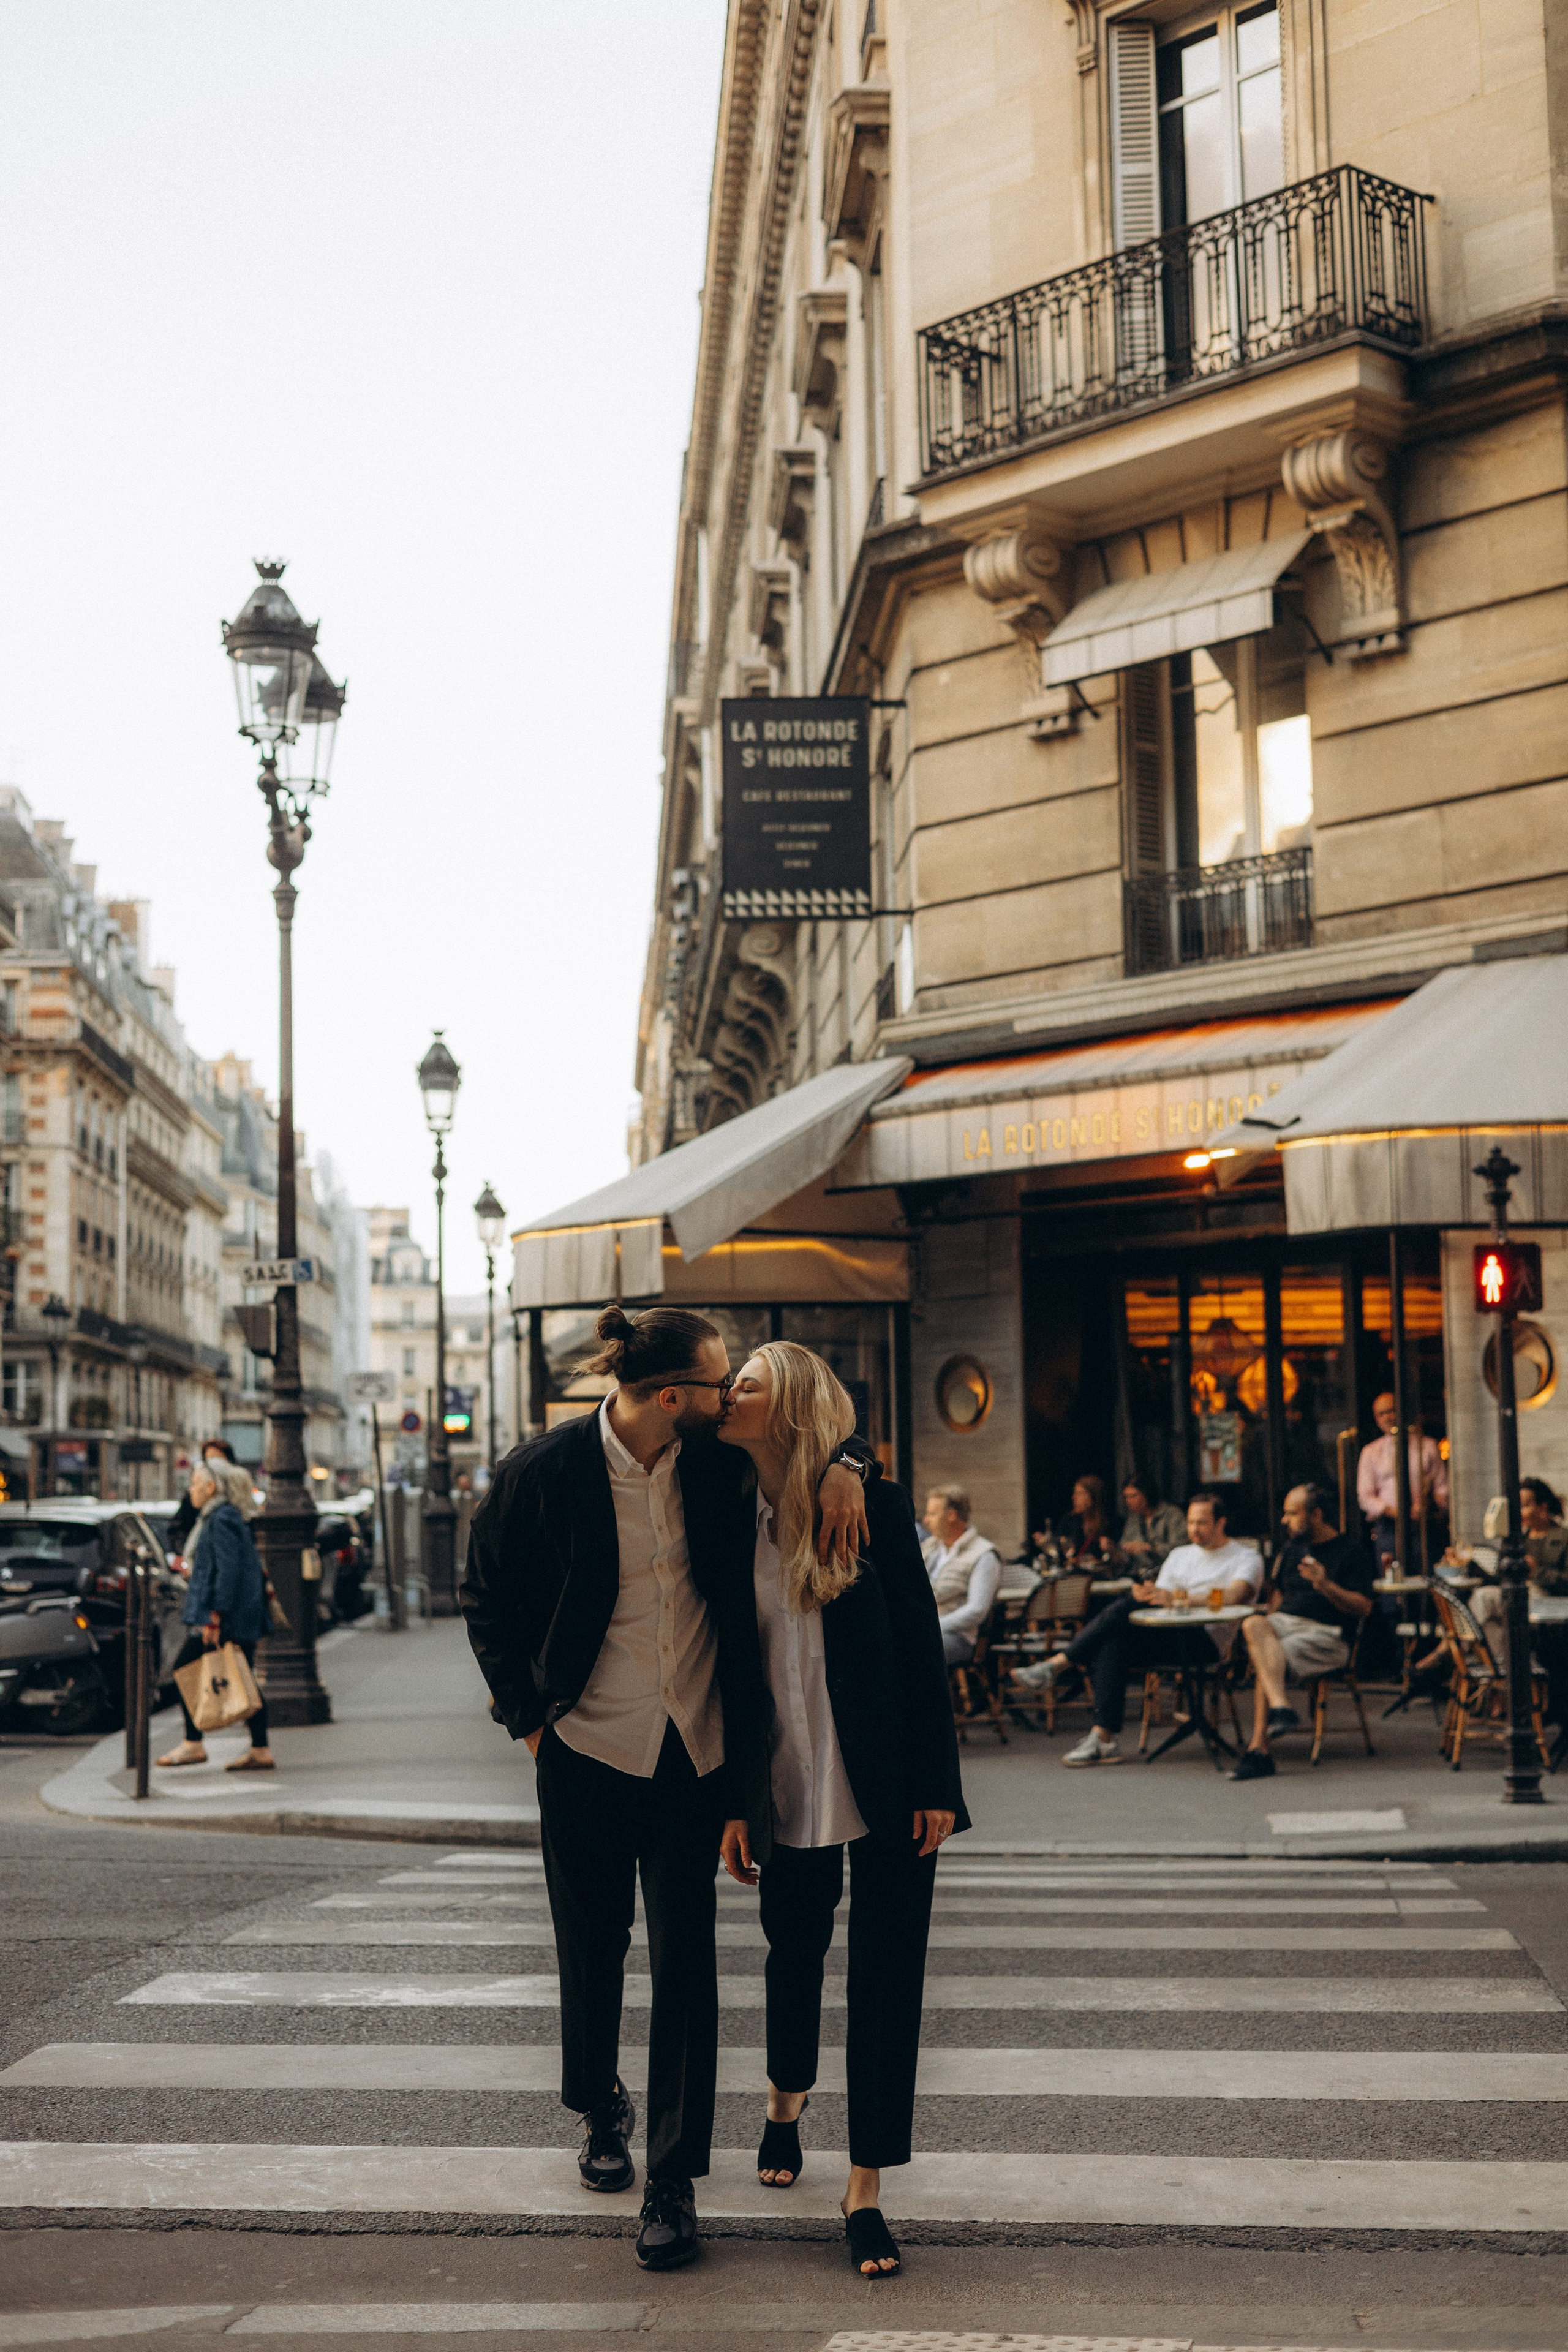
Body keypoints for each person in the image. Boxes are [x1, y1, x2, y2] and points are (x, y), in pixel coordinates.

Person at [459, 1303, 873, 2275]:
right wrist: (527, 1717)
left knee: (686, 1962)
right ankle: (599, 2105)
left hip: (692, 1755)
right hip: (585, 1749)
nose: (731, 1395)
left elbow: (820, 1429)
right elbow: (482, 1594)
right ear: (674, 1396)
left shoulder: (720, 1466)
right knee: (592, 1942)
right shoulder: (543, 1471)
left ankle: (672, 2179)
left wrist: (854, 1461)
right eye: (719, 1382)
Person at [715, 1342, 967, 2280]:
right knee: (793, 1945)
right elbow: (732, 1673)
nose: (730, 1391)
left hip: (891, 1775)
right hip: (780, 1776)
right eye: (730, 1380)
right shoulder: (722, 1502)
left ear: (789, 1409)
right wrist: (735, 1801)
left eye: (749, 1383)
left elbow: (917, 1648)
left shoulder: (873, 1507)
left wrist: (940, 1783)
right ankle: (786, 2098)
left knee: (889, 1974)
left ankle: (865, 2188)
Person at [1009, 1492, 1262, 1765]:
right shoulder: (1180, 1554)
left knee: (1124, 1607)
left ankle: (1058, 1665)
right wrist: (1151, 1595)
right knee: (1115, 1641)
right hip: (1169, 1635)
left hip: (1207, 1642)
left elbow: (1235, 1595)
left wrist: (1179, 1598)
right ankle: (1102, 1738)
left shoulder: (1245, 1557)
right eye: (1190, 1522)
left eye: (1201, 1523)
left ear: (1221, 1523)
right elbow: (1162, 1597)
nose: (1193, 1529)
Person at [1229, 1482, 1374, 1782]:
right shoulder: (1292, 1549)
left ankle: (1260, 1752)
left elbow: (1364, 1608)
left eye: (1292, 1514)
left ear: (1317, 1515)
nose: (1284, 1521)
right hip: (1284, 1626)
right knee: (1254, 1625)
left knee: (1265, 1657)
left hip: (1327, 1636)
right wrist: (1270, 1626)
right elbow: (1277, 1598)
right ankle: (1280, 1708)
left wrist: (1325, 1585)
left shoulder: (1351, 1551)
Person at [156, 1458, 273, 1771]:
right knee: (242, 1677)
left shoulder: (220, 1519)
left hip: (226, 1616)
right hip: (232, 1614)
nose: (190, 1489)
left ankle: (194, 1744)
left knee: (187, 1668)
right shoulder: (220, 1517)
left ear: (211, 1488)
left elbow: (228, 1571)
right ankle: (258, 1748)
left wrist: (215, 1616)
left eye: (194, 1483)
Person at [1357, 1393, 1448, 1566]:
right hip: (1388, 1528)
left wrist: (1428, 1504)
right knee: (1392, 1581)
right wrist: (1394, 1512)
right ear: (1376, 1419)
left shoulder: (1427, 1446)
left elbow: (1442, 1488)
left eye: (1391, 1411)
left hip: (1422, 1526)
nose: (1388, 1418)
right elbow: (1365, 1497)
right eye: (1381, 1414)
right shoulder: (1371, 1452)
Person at [921, 1484, 1002, 1665]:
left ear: (951, 1515)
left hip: (958, 1637)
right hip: (921, 1629)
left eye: (933, 1514)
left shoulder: (984, 1554)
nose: (926, 1520)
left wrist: (930, 1627)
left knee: (909, 1651)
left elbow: (976, 1611)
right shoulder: (930, 1548)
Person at [165, 1438, 241, 1562]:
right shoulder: (195, 1500)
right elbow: (178, 1529)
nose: (212, 1465)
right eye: (208, 1460)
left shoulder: (225, 1515)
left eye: (218, 1460)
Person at [1117, 1476, 1186, 1570]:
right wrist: (1113, 1550)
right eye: (1126, 1497)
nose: (1129, 1502)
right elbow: (1124, 1554)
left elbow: (1181, 1549)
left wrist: (1151, 1548)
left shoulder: (1172, 1515)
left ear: (1147, 1494)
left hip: (1167, 1572)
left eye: (1134, 1496)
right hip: (1139, 1575)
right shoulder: (1134, 1519)